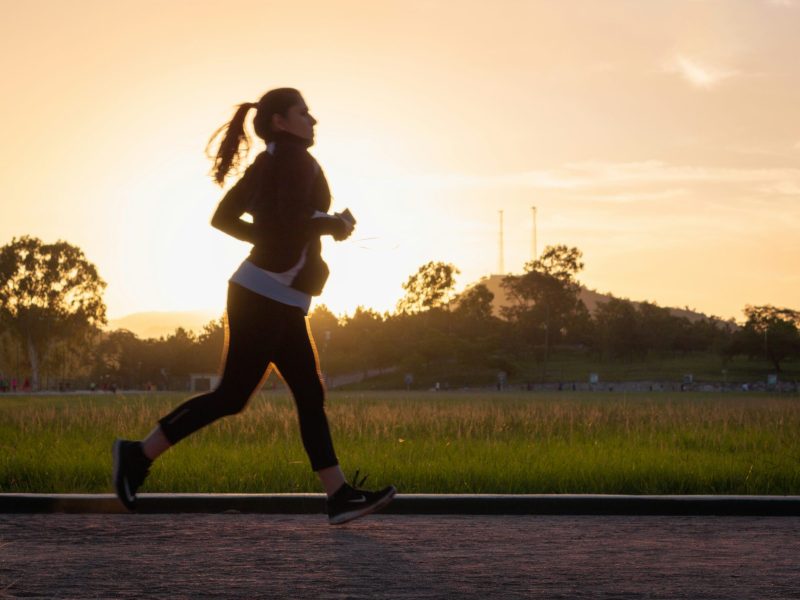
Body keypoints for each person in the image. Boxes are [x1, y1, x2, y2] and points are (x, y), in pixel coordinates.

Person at [113, 88, 396, 525]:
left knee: (307, 393)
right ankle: (137, 454)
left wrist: (277, 239)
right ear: (281, 121)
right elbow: (287, 222)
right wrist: (333, 224)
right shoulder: (291, 162)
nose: (313, 120)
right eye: (304, 112)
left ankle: (338, 495)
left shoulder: (271, 162)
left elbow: (227, 218)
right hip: (263, 294)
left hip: (274, 294)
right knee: (233, 396)